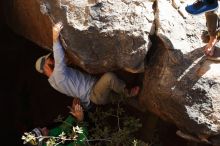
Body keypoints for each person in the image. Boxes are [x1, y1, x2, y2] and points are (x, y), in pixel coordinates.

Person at [35, 22, 140, 110]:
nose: (53, 61)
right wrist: (55, 38)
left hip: (94, 95)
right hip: (94, 93)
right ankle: (128, 92)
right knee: (109, 78)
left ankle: (134, 101)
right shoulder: (57, 77)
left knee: (115, 97)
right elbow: (59, 58)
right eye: (50, 61)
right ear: (45, 67)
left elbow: (66, 72)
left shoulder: (55, 82)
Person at [24, 98, 88, 146]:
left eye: (40, 128)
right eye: (42, 132)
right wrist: (80, 121)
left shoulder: (48, 135)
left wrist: (73, 114)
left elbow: (62, 129)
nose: (44, 128)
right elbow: (83, 142)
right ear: (42, 142)